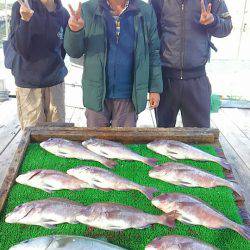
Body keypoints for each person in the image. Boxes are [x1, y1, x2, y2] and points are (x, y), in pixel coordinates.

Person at [64, 0, 163, 128]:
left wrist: (154, 88)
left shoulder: (145, 10)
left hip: (129, 97)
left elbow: (153, 52)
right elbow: (74, 52)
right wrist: (74, 31)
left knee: (124, 146)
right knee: (95, 145)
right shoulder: (87, 9)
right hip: (97, 97)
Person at [151, 0, 232, 128]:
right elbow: (151, 33)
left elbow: (227, 26)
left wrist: (213, 21)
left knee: (199, 138)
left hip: (197, 80)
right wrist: (153, 83)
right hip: (166, 80)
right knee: (163, 138)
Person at [9, 0, 69, 130]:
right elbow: (20, 49)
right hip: (28, 85)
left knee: (58, 134)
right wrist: (25, 20)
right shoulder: (20, 7)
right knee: (32, 136)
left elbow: (63, 49)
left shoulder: (63, 13)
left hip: (56, 83)